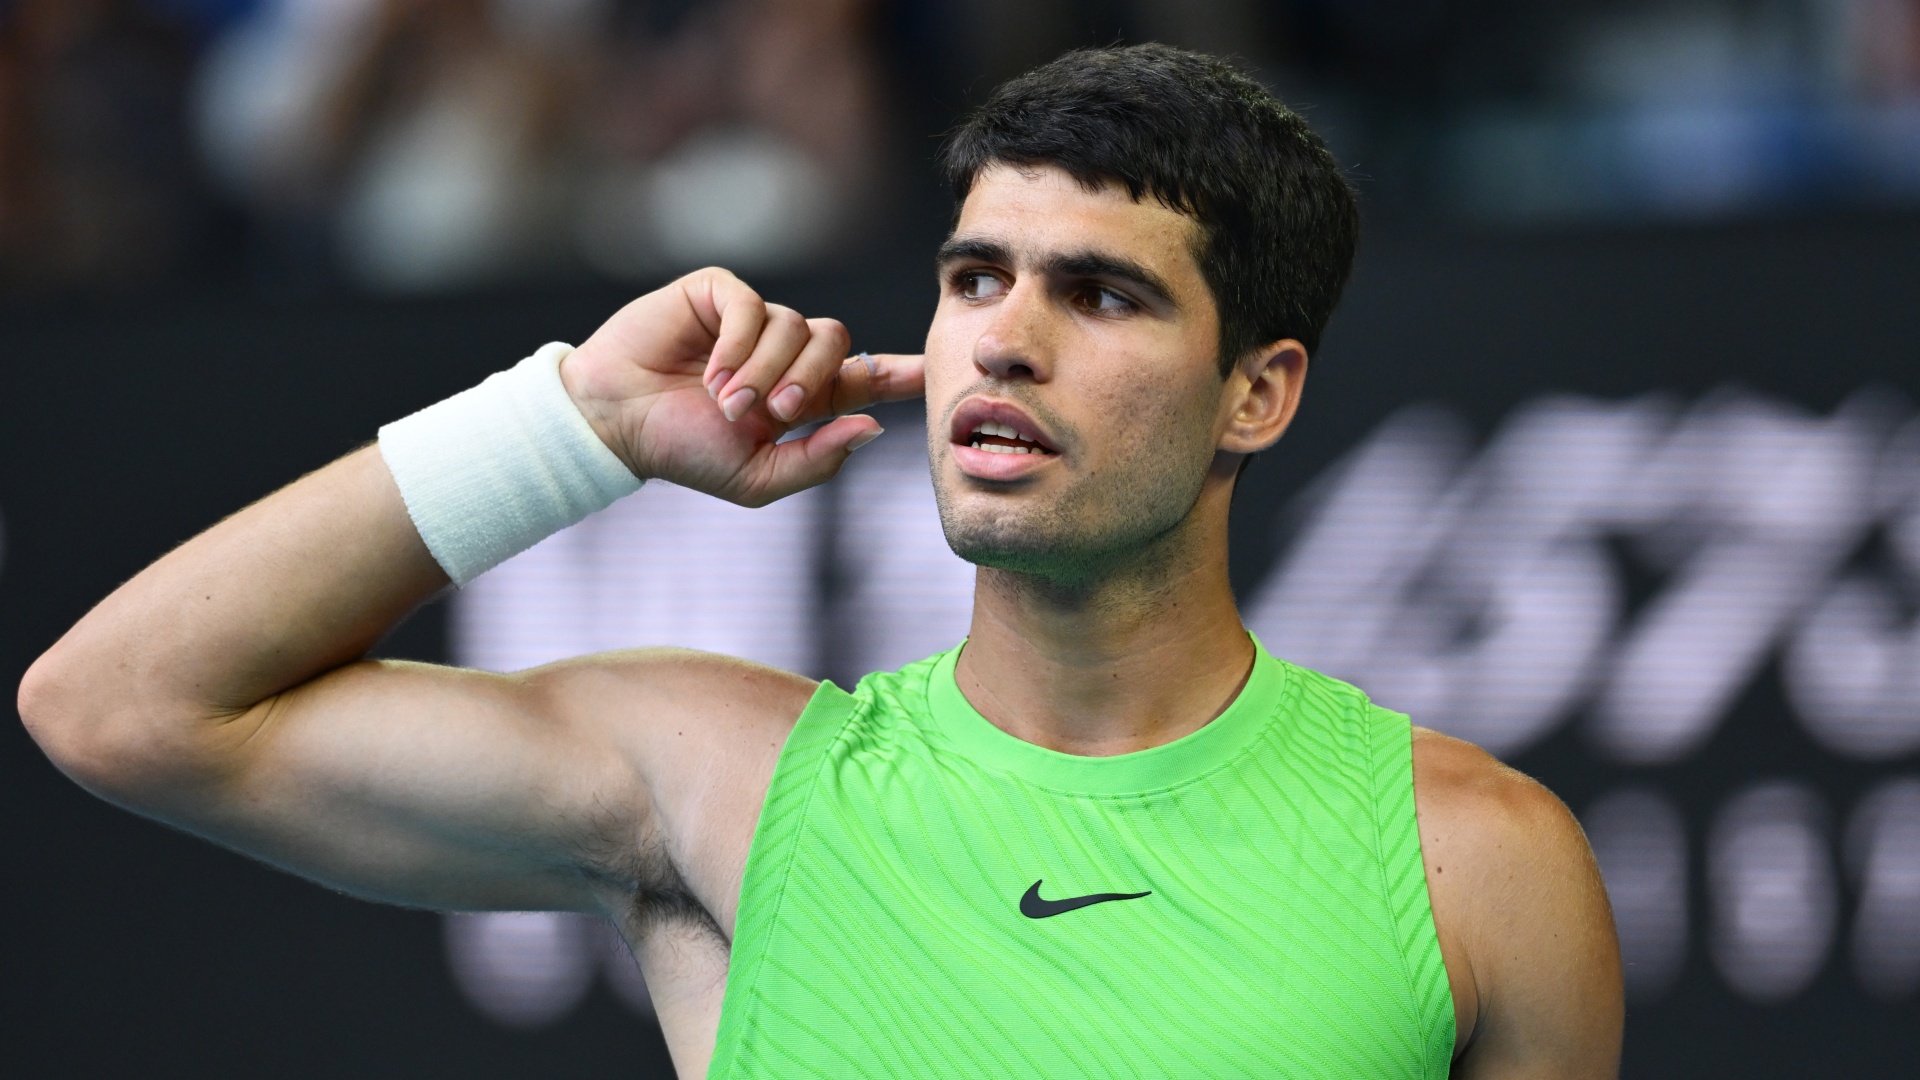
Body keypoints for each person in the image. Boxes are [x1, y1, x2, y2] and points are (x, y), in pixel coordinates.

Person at [19, 44, 1622, 1079]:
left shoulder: (1480, 863)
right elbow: (122, 707)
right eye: (976, 277)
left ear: (1258, 392)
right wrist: (572, 420)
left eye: (1102, 295)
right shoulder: (722, 781)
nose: (1005, 339)